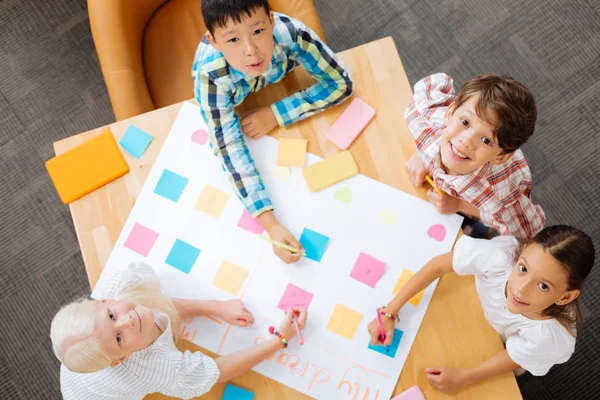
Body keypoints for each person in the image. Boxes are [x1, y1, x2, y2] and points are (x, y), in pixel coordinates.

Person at [192, 0, 353, 262]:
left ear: (271, 19)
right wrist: (271, 223)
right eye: (232, 40)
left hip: (276, 87)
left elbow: (341, 84)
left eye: (258, 31)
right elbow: (229, 147)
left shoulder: (291, 33)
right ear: (213, 41)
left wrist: (277, 113)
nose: (251, 51)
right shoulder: (209, 77)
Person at [368, 225, 594, 393]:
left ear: (565, 297)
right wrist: (390, 311)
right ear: (522, 252)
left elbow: (515, 357)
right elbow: (438, 265)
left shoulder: (547, 337)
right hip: (477, 317)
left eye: (543, 286)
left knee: (520, 364)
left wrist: (464, 378)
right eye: (523, 268)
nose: (521, 289)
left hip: (514, 344)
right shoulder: (499, 258)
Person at [51, 262, 307, 399]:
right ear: (121, 359)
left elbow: (154, 305)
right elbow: (216, 371)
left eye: (111, 316)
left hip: (84, 369)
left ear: (103, 301)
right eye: (119, 338)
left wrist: (215, 307)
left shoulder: (122, 292)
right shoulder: (159, 366)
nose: (127, 321)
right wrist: (279, 340)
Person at [404, 73, 545, 239]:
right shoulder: (425, 119)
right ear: (450, 112)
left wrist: (458, 205)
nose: (466, 142)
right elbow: (437, 82)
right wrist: (422, 150)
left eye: (486, 140)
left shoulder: (500, 198)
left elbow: (529, 232)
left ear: (500, 156)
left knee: (477, 232)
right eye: (465, 122)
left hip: (483, 199)